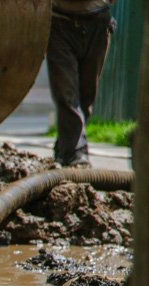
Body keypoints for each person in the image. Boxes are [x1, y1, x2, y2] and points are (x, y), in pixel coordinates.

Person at [47, 0, 117, 166]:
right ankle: (77, 153)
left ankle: (65, 149)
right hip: (59, 21)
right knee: (66, 92)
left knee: (87, 96)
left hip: (97, 21)